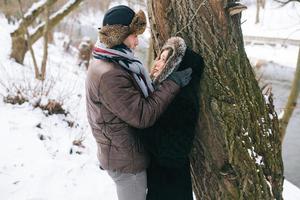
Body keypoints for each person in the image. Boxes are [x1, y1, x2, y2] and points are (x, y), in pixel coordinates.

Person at [85, 5, 192, 200]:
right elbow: (142, 115)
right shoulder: (110, 74)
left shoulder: (110, 62)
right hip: (127, 163)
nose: (137, 41)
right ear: (119, 36)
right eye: (134, 35)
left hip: (121, 154)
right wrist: (173, 83)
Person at [137, 37, 205, 200]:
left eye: (164, 60)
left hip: (171, 184)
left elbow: (176, 149)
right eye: (159, 57)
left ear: (175, 67)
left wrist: (141, 128)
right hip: (161, 178)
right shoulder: (163, 91)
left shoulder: (183, 99)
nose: (157, 63)